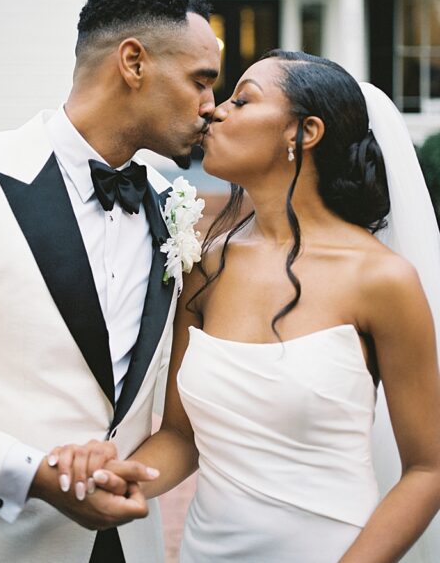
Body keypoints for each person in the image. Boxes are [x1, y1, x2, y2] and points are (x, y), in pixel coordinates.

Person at [57, 51, 440, 562]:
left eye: (242, 100)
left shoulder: (381, 279)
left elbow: (428, 469)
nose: (215, 110)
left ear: (304, 132)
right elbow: (180, 437)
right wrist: (119, 480)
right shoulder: (207, 266)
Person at [0, 0, 218, 562]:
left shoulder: (174, 208)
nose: (211, 107)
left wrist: (125, 481)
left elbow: (173, 419)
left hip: (127, 542)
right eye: (201, 80)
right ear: (133, 63)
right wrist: (32, 475)